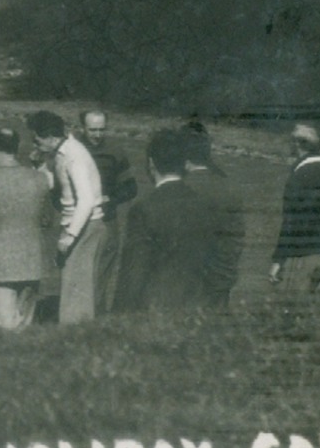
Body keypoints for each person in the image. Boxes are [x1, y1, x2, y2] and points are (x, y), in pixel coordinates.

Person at [113, 129, 218, 312]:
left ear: (151, 164)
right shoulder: (205, 204)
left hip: (154, 311)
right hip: (195, 309)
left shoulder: (144, 209)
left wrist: (117, 319)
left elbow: (133, 275)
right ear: (185, 164)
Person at [0, 127, 55, 330]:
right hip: (31, 262)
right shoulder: (39, 180)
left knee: (6, 325)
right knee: (24, 324)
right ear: (17, 148)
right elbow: (47, 220)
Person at [27, 110, 105, 324]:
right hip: (79, 224)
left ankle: (74, 332)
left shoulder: (74, 156)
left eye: (37, 139)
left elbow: (87, 200)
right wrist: (39, 165)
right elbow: (54, 184)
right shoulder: (61, 153)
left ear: (51, 137)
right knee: (72, 281)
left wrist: (70, 235)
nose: (35, 144)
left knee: (75, 283)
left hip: (85, 225)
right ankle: (75, 329)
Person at [269, 123, 320, 295]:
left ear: (297, 144)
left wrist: (278, 260)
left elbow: (292, 223)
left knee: (291, 314)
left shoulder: (299, 177)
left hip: (303, 259)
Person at [77, 109, 138, 313]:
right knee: (78, 275)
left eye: (102, 130)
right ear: (82, 128)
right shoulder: (73, 150)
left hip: (106, 220)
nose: (97, 135)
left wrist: (111, 198)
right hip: (78, 221)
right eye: (92, 130)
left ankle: (97, 317)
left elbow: (131, 188)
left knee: (101, 274)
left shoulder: (115, 151)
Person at [182, 122, 245, 306]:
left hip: (190, 284)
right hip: (221, 280)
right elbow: (236, 239)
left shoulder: (184, 188)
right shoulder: (228, 186)